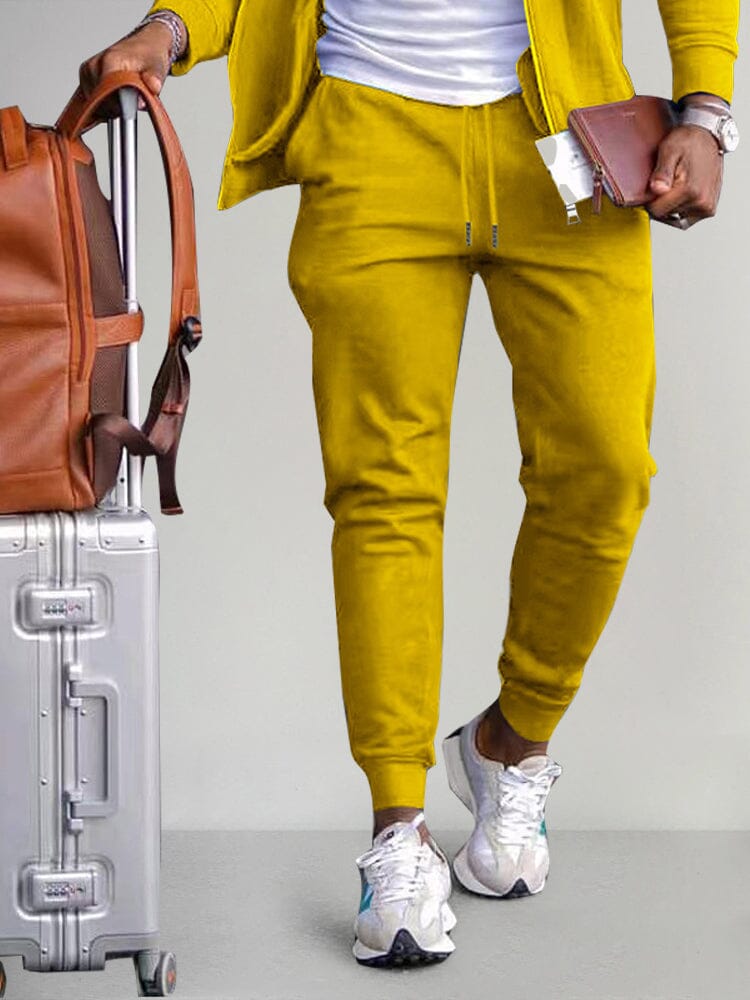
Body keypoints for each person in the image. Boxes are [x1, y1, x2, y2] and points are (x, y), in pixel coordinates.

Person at [81, 0, 740, 969]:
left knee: (605, 466)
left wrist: (708, 106)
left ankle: (510, 741)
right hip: (371, 130)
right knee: (383, 489)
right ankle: (398, 833)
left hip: (563, 133)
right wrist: (173, 29)